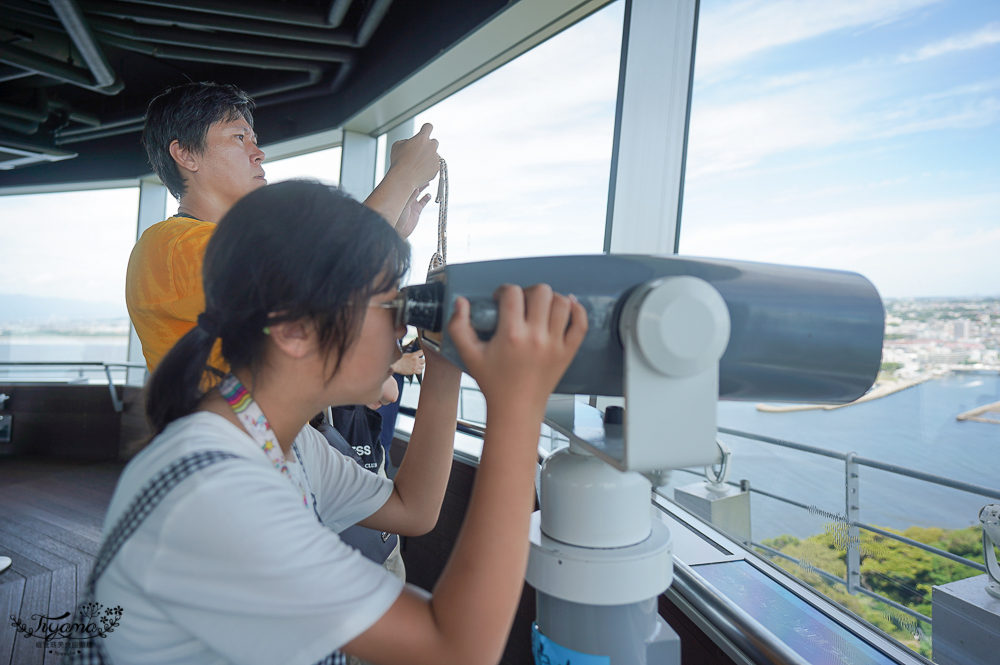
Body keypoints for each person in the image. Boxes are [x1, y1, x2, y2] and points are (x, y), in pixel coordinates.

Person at [94, 181, 587, 665]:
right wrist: (518, 405)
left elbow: (411, 509)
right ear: (293, 330)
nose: (402, 330)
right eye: (387, 306)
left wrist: (442, 368)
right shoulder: (215, 491)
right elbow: (456, 651)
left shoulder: (278, 441)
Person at [126, 81, 439, 373]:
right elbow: (328, 276)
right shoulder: (169, 246)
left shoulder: (239, 247)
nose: (258, 153)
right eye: (239, 137)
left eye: (255, 140)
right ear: (186, 154)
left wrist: (392, 232)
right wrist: (403, 175)